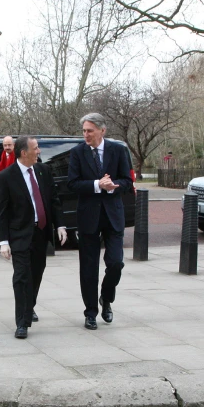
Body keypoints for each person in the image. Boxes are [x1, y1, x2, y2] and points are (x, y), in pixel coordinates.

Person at [0, 136, 67, 339]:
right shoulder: (6, 177)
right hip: (19, 235)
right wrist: (3, 242)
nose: (39, 152)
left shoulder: (43, 171)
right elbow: (1, 213)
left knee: (36, 273)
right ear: (23, 153)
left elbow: (53, 200)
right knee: (21, 277)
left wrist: (60, 225)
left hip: (41, 233)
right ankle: (22, 322)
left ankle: (29, 306)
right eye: (35, 149)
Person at [67, 113, 132, 330]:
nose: (85, 134)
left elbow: (127, 180)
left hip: (113, 215)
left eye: (90, 131)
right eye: (84, 131)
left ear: (102, 131)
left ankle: (106, 298)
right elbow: (73, 184)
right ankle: (90, 312)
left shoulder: (118, 150)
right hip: (88, 217)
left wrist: (114, 185)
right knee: (88, 268)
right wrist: (97, 185)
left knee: (116, 263)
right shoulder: (77, 153)